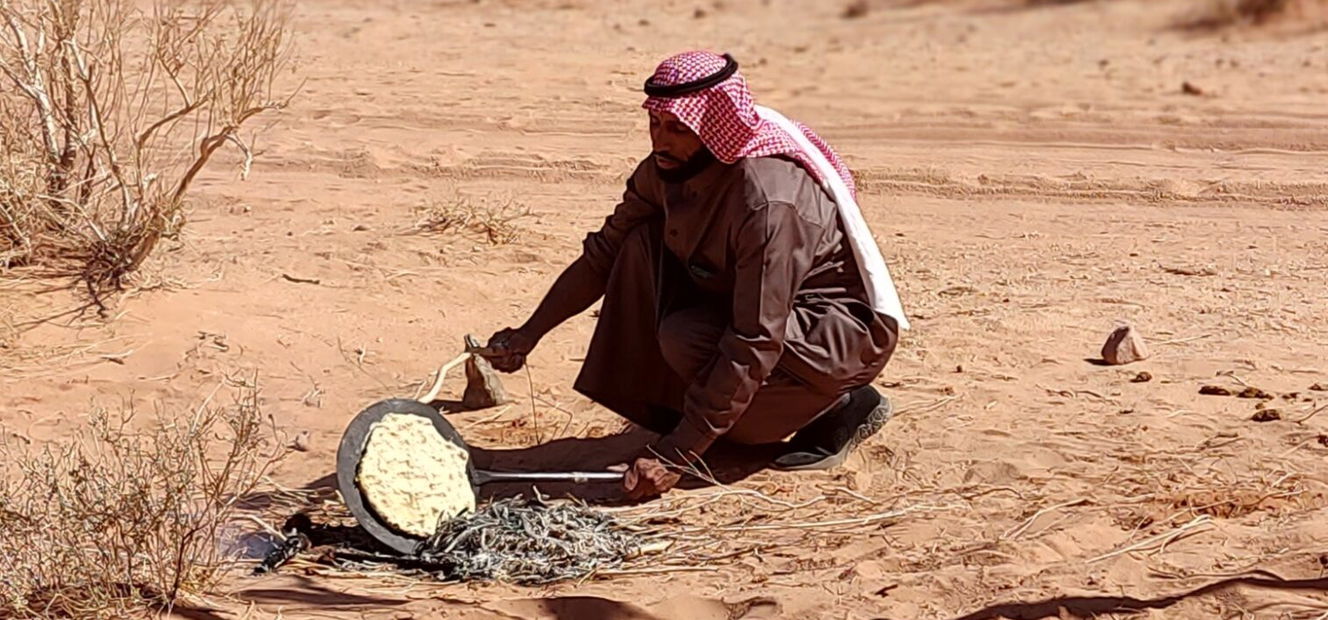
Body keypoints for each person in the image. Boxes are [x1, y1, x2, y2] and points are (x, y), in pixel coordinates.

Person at [481, 51, 909, 499]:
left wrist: (676, 457)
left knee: (687, 339)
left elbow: (755, 338)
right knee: (637, 246)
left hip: (831, 337)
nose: (659, 141)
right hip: (749, 309)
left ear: (712, 129)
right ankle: (701, 413)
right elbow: (601, 257)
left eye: (678, 129)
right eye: (655, 124)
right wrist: (529, 333)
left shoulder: (766, 203)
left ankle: (835, 411)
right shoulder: (664, 171)